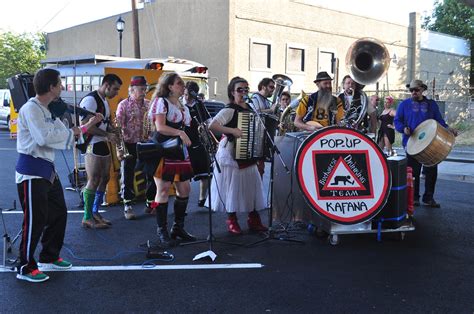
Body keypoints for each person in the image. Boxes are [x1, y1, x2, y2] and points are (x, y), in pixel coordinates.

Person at [15, 68, 103, 282]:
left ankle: (49, 256)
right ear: (51, 87)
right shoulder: (31, 109)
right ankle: (25, 267)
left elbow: (64, 133)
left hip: (47, 169)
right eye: (60, 83)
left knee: (58, 213)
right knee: (35, 220)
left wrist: (87, 126)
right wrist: (82, 127)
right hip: (31, 171)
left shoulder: (47, 109)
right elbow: (44, 138)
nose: (62, 87)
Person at [206, 76, 268, 234]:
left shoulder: (251, 108)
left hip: (248, 152)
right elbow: (213, 126)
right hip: (230, 152)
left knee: (251, 186)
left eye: (246, 89)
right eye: (239, 89)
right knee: (232, 187)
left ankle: (253, 218)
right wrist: (233, 130)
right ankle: (231, 220)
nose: (243, 92)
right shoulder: (229, 109)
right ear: (232, 92)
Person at [148, 72, 196, 247]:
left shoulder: (183, 106)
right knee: (163, 189)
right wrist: (180, 132)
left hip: (179, 150)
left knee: (184, 189)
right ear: (169, 86)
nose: (183, 87)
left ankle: (178, 228)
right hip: (163, 148)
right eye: (179, 84)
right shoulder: (162, 102)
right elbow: (160, 127)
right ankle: (162, 231)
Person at [394, 79, 457, 208]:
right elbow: (397, 121)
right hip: (411, 144)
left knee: (431, 171)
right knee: (413, 173)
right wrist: (403, 129)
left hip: (430, 143)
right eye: (411, 90)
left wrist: (449, 129)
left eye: (416, 90)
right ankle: (414, 198)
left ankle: (428, 198)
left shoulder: (431, 104)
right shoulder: (404, 105)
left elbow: (439, 121)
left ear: (422, 89)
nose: (413, 92)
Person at [79, 74, 122, 229]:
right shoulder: (90, 100)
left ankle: (95, 212)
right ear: (106, 85)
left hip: (102, 143)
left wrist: (113, 130)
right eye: (115, 89)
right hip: (92, 143)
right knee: (94, 179)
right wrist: (107, 135)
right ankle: (87, 217)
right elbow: (85, 125)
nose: (116, 93)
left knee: (104, 178)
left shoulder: (104, 100)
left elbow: (105, 123)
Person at [116, 76, 155, 220]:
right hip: (129, 144)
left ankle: (150, 204)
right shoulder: (123, 105)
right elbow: (118, 128)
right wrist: (120, 148)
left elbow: (153, 124)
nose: (144, 91)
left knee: (150, 173)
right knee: (128, 175)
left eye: (145, 88)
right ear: (132, 89)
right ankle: (128, 205)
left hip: (146, 143)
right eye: (141, 89)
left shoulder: (148, 104)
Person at [183, 81, 211, 207]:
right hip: (183, 142)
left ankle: (202, 198)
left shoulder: (199, 105)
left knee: (205, 172)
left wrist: (205, 127)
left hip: (198, 141)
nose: (187, 97)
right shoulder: (179, 104)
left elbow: (208, 121)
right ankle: (184, 201)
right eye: (185, 94)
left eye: (189, 94)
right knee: (184, 175)